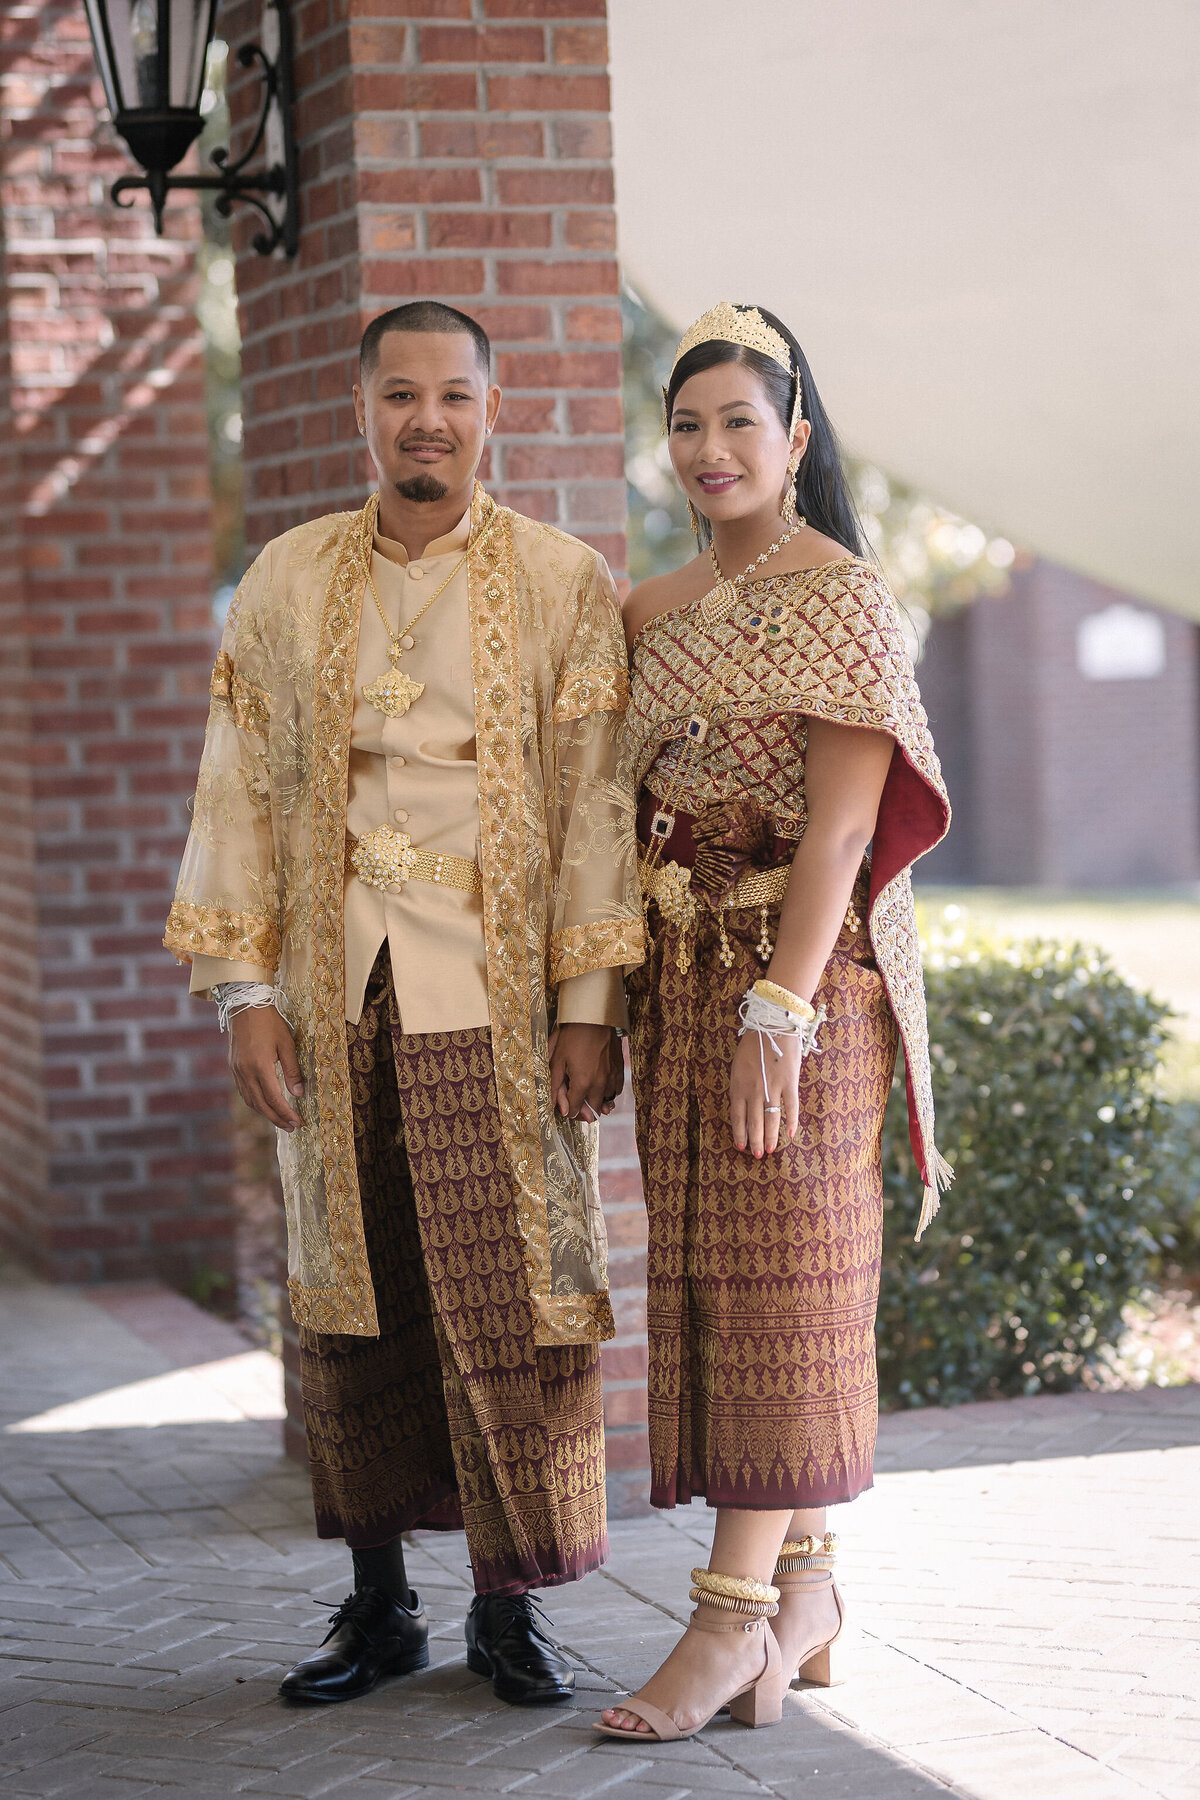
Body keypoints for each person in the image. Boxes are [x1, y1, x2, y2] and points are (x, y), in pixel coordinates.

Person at [165, 301, 644, 1709]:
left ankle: (509, 1612)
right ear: (358, 408)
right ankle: (379, 1606)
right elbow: (235, 785)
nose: (424, 418)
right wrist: (246, 993)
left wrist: (589, 999)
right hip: (333, 995)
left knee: (504, 1304)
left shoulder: (563, 583)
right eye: (399, 395)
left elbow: (598, 810)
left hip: (494, 1004)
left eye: (452, 395)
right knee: (351, 1304)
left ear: (497, 413)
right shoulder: (285, 579)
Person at [597, 302, 951, 1742]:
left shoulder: (845, 597)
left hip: (801, 995)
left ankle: (724, 1625)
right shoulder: (648, 614)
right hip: (683, 987)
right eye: (687, 425)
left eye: (740, 421)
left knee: (785, 1298)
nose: (710, 449)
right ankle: (805, 1593)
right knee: (715, 1289)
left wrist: (777, 1014)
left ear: (797, 437)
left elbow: (841, 829)